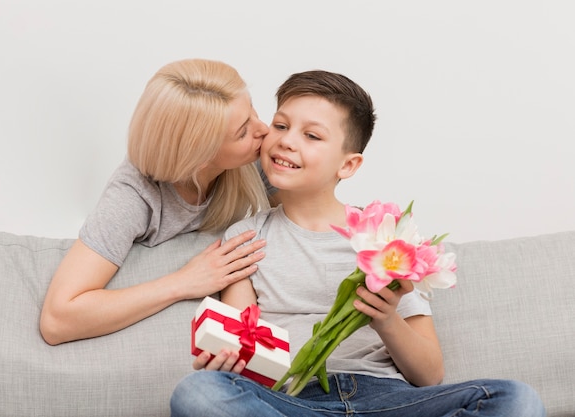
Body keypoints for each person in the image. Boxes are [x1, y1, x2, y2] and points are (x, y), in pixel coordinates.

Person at [170, 70, 546, 416]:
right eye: (280, 125)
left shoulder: (387, 237)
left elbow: (430, 375)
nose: (286, 140)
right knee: (200, 391)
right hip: (293, 402)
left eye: (311, 135)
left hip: (388, 400)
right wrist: (229, 362)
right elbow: (244, 342)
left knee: (515, 398)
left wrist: (385, 319)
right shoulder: (246, 237)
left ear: (347, 165)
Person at [40, 59, 272, 345]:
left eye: (253, 110)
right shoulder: (132, 197)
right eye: (243, 131)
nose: (265, 129)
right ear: (199, 157)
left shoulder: (259, 154)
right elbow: (57, 319)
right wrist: (182, 282)